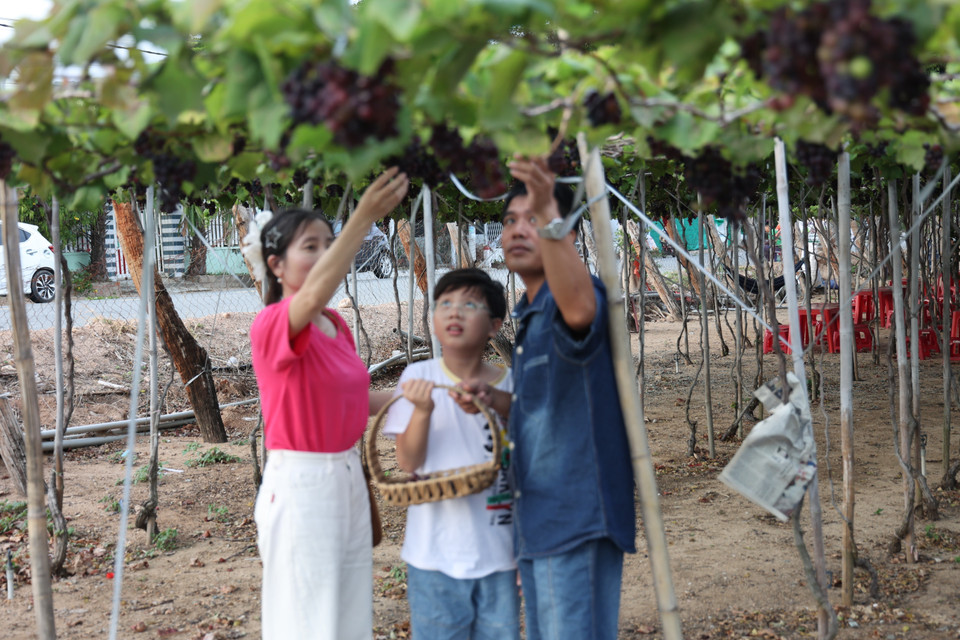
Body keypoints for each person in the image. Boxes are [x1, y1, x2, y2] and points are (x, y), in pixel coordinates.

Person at [455, 156, 636, 640]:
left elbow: (580, 309)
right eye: (510, 220)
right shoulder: (532, 315)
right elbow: (547, 409)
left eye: (533, 220)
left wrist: (549, 210)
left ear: (566, 235)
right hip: (540, 515)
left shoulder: (570, 297)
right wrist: (496, 401)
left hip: (573, 514)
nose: (518, 229)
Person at [248, 168, 409, 640]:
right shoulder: (273, 324)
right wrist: (364, 217)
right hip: (302, 484)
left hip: (346, 476)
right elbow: (317, 288)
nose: (323, 255)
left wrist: (425, 398)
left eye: (328, 243)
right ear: (277, 265)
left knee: (348, 616)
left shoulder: (335, 325)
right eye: (310, 247)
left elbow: (352, 403)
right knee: (309, 620)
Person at [382, 268, 520, 640]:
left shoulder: (510, 385)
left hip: (499, 554)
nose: (454, 312)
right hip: (433, 555)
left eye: (468, 304)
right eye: (444, 304)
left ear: (494, 325)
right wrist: (423, 411)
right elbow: (408, 463)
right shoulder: (418, 378)